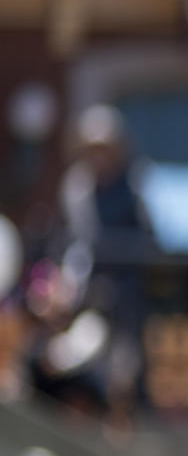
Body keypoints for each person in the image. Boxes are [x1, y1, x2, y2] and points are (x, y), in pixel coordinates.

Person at [55, 105, 155, 422]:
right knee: (84, 356)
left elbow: (148, 237)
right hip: (89, 292)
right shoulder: (77, 188)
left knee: (125, 364)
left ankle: (122, 422)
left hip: (126, 293)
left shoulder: (134, 185)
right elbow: (73, 241)